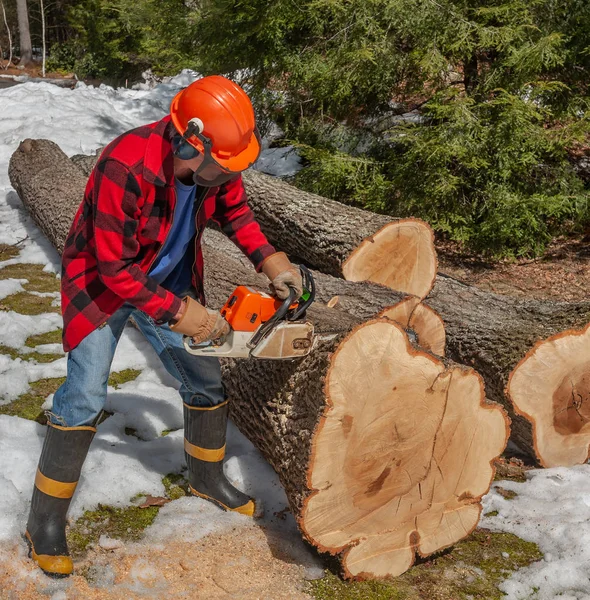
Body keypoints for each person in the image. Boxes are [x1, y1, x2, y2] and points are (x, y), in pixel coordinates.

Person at [24, 75, 303, 578]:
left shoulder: (214, 166)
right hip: (100, 285)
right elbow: (113, 269)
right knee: (86, 394)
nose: (225, 176)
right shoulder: (123, 165)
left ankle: (206, 478)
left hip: (169, 280)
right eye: (221, 165)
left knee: (204, 378)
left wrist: (274, 262)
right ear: (188, 142)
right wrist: (184, 314)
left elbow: (236, 212)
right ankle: (44, 521)